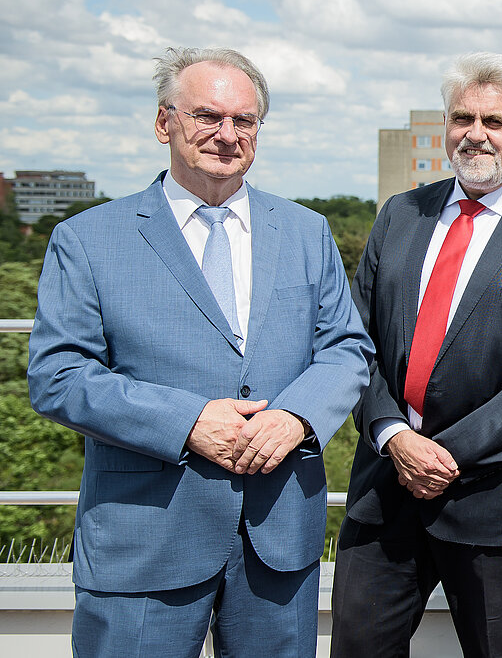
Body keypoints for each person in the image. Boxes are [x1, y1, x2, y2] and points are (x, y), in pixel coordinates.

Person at [25, 46, 373, 657]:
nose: (226, 135)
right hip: (144, 539)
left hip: (277, 537)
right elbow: (57, 375)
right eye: (207, 116)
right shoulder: (88, 238)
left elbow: (345, 347)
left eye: (244, 121)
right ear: (165, 123)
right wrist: (186, 422)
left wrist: (296, 418)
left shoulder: (305, 231)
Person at [331, 52, 502, 658]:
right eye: (462, 117)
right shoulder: (401, 214)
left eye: (495, 122)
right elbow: (355, 340)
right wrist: (393, 436)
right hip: (387, 484)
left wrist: (443, 453)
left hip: (496, 498)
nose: (475, 134)